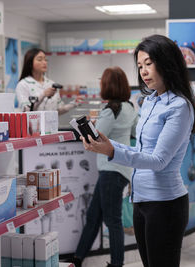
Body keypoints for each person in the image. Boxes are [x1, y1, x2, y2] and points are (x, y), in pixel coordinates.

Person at [78, 34, 195, 267]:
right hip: (141, 199)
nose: (143, 71)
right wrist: (109, 145)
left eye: (149, 64)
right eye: (140, 66)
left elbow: (158, 160)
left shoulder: (179, 106)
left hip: (165, 203)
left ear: (166, 62)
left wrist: (112, 151)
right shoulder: (149, 101)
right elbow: (140, 148)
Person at [68, 67, 138, 267]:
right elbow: (134, 131)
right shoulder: (129, 108)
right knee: (93, 217)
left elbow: (96, 137)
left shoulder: (110, 111)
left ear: (107, 86)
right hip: (121, 169)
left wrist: (85, 131)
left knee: (112, 220)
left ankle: (116, 264)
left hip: (110, 170)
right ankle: (77, 259)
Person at [16, 48, 79, 113]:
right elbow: (26, 110)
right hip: (34, 123)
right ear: (30, 63)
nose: (44, 62)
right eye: (40, 59)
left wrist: (74, 104)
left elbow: (58, 110)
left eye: (45, 60)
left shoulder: (51, 84)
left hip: (51, 122)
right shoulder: (23, 85)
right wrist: (43, 95)